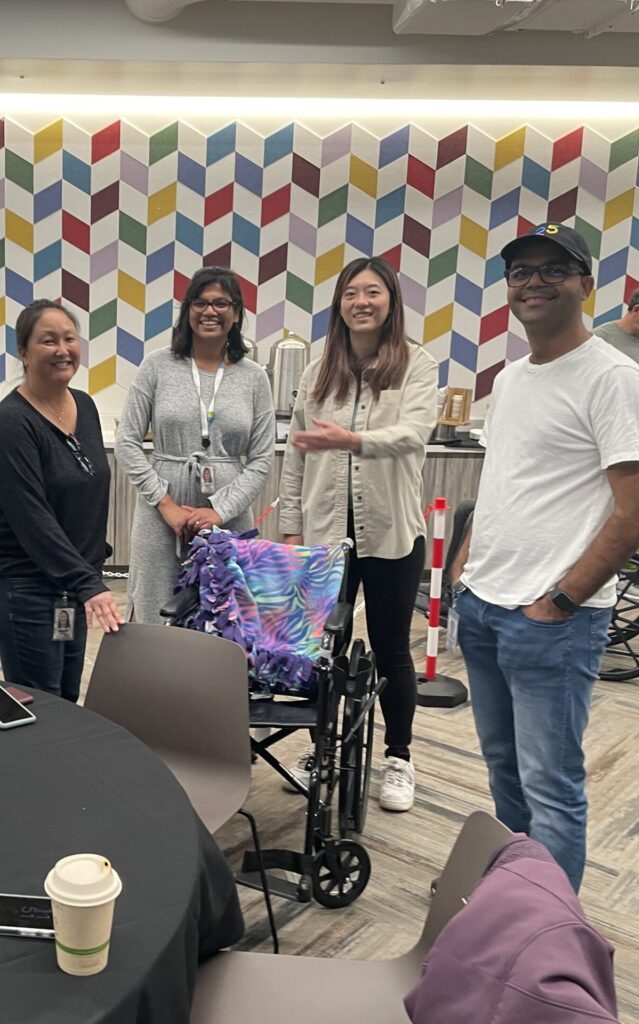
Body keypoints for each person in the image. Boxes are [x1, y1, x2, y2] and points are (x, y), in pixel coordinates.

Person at [452, 223, 639, 890]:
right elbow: (506, 482)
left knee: (552, 787)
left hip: (553, 621)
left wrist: (561, 600)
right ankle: (514, 898)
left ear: (585, 285)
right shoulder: (511, 378)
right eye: (520, 272)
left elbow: (636, 513)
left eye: (552, 270)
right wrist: (465, 567)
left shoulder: (613, 379)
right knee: (505, 773)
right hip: (484, 606)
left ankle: (548, 939)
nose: (533, 282)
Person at [279, 256, 440, 813]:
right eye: (351, 293)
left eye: (373, 292)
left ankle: (399, 756)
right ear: (339, 304)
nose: (361, 302)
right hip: (327, 538)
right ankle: (321, 746)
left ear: (391, 302)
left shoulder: (417, 364)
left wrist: (353, 441)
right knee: (325, 649)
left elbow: (414, 433)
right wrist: (290, 531)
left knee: (393, 648)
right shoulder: (317, 370)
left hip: (393, 535)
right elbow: (297, 456)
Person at [0, 300, 124, 704]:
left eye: (69, 338)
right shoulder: (11, 423)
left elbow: (86, 497)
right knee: (39, 704)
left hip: (68, 586)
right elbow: (32, 519)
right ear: (23, 352)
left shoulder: (85, 406)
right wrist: (87, 583)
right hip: (22, 586)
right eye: (48, 341)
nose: (62, 349)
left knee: (65, 698)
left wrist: (85, 573)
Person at [116, 267, 275, 623]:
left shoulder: (254, 377)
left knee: (226, 615)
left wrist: (221, 510)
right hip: (160, 514)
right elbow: (126, 442)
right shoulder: (157, 365)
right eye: (200, 302)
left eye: (221, 303)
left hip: (228, 515)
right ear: (188, 310)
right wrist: (166, 504)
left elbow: (262, 457)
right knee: (155, 613)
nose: (210, 311)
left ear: (236, 314)